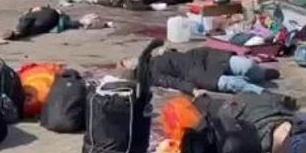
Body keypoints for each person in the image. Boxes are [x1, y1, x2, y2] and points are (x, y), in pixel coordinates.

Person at [118, 46, 280, 96]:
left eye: (126, 58)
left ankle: (262, 74)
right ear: (132, 69)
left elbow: (175, 53)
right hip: (198, 75)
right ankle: (265, 94)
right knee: (235, 83)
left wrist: (168, 50)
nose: (128, 59)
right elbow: (174, 82)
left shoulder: (153, 56)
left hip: (202, 57)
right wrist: (194, 90)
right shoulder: (153, 75)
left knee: (246, 65)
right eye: (125, 62)